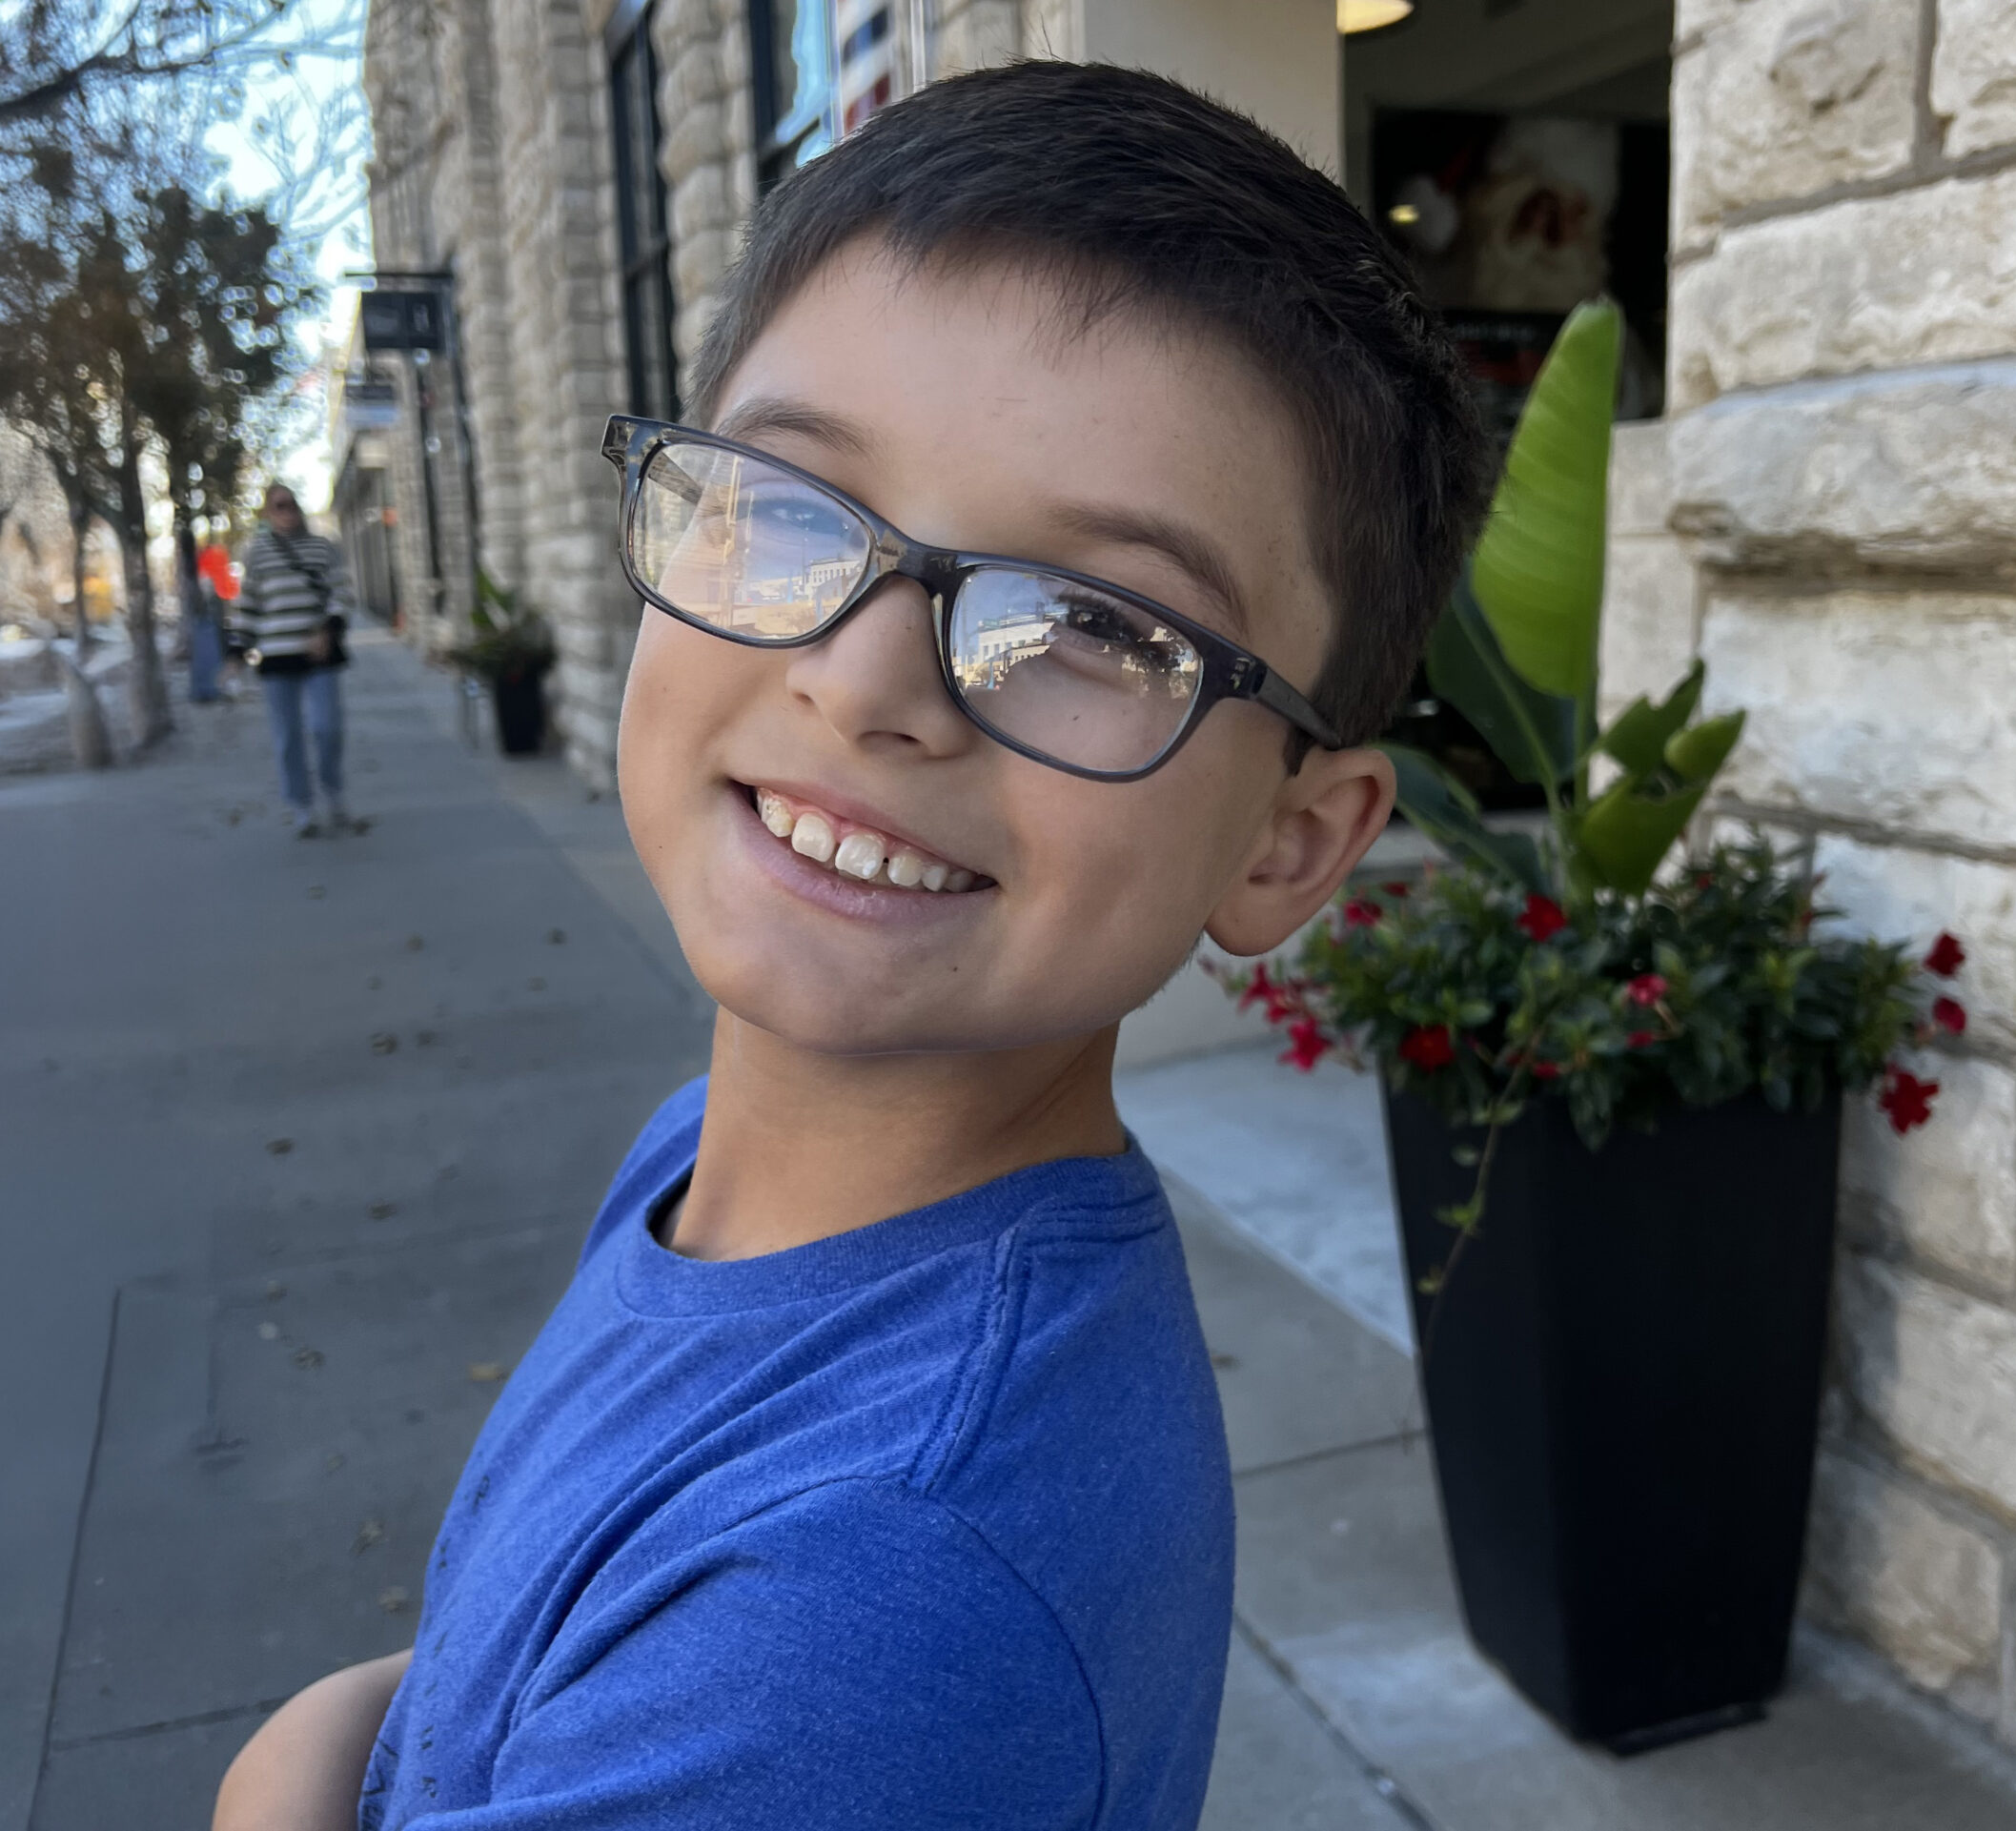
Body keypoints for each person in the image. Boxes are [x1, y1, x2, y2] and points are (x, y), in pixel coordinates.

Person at [213, 61, 1484, 1831]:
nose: (867, 681)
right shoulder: (712, 1152)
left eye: (1095, 624)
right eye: (791, 504)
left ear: (1288, 843)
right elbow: (489, 1669)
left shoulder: (877, 1597)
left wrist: (276, 1775)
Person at [237, 483, 355, 836]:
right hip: (276, 657)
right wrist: (235, 652)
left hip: (319, 654)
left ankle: (333, 790)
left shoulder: (323, 547)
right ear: (268, 513)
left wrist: (328, 629)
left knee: (327, 727)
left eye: (291, 504)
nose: (287, 511)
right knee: (287, 737)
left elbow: (342, 593)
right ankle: (301, 805)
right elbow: (247, 606)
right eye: (279, 506)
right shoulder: (256, 553)